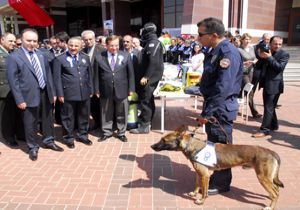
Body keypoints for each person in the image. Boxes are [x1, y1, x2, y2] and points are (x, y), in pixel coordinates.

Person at [196, 17, 243, 194]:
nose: (198, 37)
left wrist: (207, 113)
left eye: (201, 34)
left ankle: (221, 183)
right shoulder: (215, 50)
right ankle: (213, 177)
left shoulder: (227, 53)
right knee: (213, 145)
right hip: (214, 107)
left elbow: (223, 88)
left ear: (214, 35)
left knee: (222, 149)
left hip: (220, 110)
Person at [6, 28, 63, 161]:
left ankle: (49, 140)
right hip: (28, 96)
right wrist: (19, 99)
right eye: (28, 40)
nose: (32, 43)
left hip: (45, 93)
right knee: (30, 123)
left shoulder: (42, 54)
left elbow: (48, 75)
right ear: (22, 40)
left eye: (35, 41)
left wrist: (53, 92)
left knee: (48, 119)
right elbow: (13, 81)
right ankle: (32, 147)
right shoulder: (14, 57)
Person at [53, 36, 93, 148]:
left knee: (84, 115)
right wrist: (60, 93)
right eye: (71, 45)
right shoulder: (60, 59)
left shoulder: (85, 57)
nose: (73, 48)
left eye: (76, 45)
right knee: (67, 117)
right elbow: (57, 78)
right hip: (68, 93)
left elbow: (90, 74)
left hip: (84, 92)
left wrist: (91, 89)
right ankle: (68, 138)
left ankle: (83, 135)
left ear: (80, 46)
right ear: (67, 45)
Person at [94, 35, 135, 142]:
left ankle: (121, 132)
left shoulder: (125, 55)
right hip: (105, 89)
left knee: (122, 112)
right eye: (111, 45)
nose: (114, 48)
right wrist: (96, 89)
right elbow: (96, 75)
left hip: (122, 89)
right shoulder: (99, 56)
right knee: (106, 112)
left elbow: (131, 74)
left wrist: (131, 88)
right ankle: (106, 132)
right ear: (106, 45)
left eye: (116, 45)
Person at [252, 36, 289, 138]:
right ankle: (274, 124)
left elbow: (279, 68)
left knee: (268, 107)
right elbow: (260, 64)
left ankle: (264, 130)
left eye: (280, 44)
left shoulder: (284, 54)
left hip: (275, 85)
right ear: (270, 43)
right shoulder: (267, 51)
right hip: (266, 83)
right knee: (270, 106)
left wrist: (269, 57)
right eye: (275, 44)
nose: (277, 46)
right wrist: (260, 57)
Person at [130, 22, 164, 134]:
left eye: (143, 30)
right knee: (148, 98)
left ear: (147, 31)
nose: (142, 32)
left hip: (151, 77)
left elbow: (153, 61)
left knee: (145, 99)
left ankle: (144, 126)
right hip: (150, 76)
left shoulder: (153, 43)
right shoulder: (150, 42)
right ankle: (147, 119)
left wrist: (146, 76)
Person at [81, 30, 105, 130]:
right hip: (88, 83)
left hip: (100, 82)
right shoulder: (82, 50)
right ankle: (97, 123)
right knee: (92, 106)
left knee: (102, 106)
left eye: (90, 39)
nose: (88, 41)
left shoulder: (102, 50)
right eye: (86, 40)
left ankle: (105, 125)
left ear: (94, 39)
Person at [0, 32, 21, 147]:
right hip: (3, 91)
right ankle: (8, 137)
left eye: (14, 41)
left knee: (15, 115)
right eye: (10, 41)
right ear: (2, 40)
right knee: (6, 117)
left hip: (15, 90)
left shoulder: (13, 53)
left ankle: (17, 134)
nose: (13, 43)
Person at [238, 33, 261, 118]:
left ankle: (233, 107)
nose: (247, 41)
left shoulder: (251, 48)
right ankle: (254, 112)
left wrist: (254, 61)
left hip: (251, 71)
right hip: (243, 72)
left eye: (249, 39)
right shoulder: (238, 50)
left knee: (243, 91)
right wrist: (244, 63)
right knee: (249, 91)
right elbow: (236, 61)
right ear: (242, 40)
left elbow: (255, 58)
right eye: (246, 39)